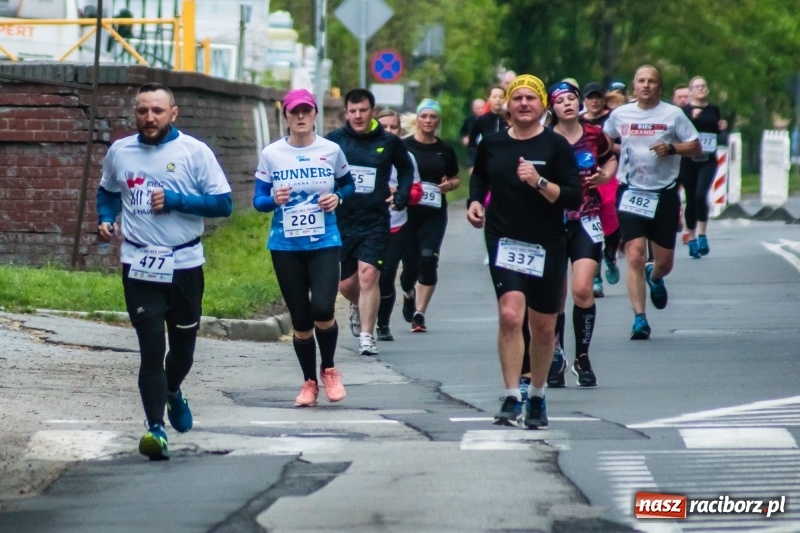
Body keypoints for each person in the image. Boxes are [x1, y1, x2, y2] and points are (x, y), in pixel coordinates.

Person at [96, 83, 233, 460]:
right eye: (143, 110)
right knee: (151, 348)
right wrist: (106, 218)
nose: (149, 117)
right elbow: (107, 191)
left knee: (183, 352)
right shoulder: (120, 152)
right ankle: (155, 429)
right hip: (138, 262)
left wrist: (176, 201)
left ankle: (173, 390)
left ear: (173, 114)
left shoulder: (194, 152)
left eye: (157, 110)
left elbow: (223, 204)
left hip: (184, 263)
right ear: (135, 113)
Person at [467, 74, 582, 429]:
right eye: (518, 98)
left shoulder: (556, 146)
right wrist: (474, 202)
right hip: (505, 239)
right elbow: (480, 178)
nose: (524, 104)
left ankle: (537, 394)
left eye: (531, 98)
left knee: (544, 328)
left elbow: (574, 196)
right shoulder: (494, 144)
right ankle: (511, 395)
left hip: (547, 243)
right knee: (510, 315)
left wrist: (539, 181)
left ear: (542, 105)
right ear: (508, 106)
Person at [253, 89, 355, 407]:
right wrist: (274, 200)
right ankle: (309, 382)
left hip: (324, 241)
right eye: (294, 112)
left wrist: (338, 198)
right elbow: (258, 200)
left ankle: (329, 369)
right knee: (300, 320)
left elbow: (349, 185)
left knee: (323, 309)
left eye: (306, 111)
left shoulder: (331, 150)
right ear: (285, 116)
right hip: (285, 246)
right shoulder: (272, 154)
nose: (300, 117)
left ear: (314, 115)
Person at [603, 65, 700, 340]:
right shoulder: (620, 114)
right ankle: (639, 318)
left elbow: (695, 146)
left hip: (664, 192)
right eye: (641, 81)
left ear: (660, 87)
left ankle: (655, 277)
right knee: (634, 253)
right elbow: (605, 138)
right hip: (632, 190)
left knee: (664, 261)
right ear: (634, 86)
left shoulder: (673, 114)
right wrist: (612, 153)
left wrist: (671, 148)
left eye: (652, 81)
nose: (646, 85)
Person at [326, 89, 415, 355]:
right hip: (342, 219)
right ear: (346, 113)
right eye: (352, 111)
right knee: (346, 285)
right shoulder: (334, 141)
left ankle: (367, 335)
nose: (358, 116)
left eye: (363, 110)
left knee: (369, 276)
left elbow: (406, 168)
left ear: (372, 112)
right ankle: (357, 305)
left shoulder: (388, 141)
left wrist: (401, 195)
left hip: (375, 219)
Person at [548, 81, 617, 387]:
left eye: (571, 98)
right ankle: (555, 355)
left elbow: (610, 157)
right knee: (554, 297)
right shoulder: (544, 139)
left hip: (586, 218)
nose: (567, 103)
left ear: (579, 104)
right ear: (552, 107)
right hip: (550, 221)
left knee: (582, 289)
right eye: (560, 100)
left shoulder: (593, 133)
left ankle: (583, 357)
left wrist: (606, 175)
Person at [400, 99, 460, 332]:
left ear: (438, 121)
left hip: (434, 213)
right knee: (409, 269)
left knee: (428, 259)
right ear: (417, 119)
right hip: (407, 213)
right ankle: (408, 293)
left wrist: (450, 186)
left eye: (432, 117)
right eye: (424, 116)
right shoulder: (404, 147)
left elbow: (455, 178)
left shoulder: (445, 150)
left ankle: (419, 313)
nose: (427, 121)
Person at [375, 109, 423, 341]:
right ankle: (357, 307)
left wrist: (401, 195)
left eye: (394, 127)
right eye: (384, 127)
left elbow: (417, 190)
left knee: (387, 276)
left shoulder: (406, 156)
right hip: (367, 224)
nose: (389, 132)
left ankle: (382, 325)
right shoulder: (366, 153)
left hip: (396, 224)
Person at [581, 81, 622, 298]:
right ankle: (595, 276)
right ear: (584, 100)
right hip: (586, 178)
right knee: (592, 224)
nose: (594, 101)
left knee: (611, 217)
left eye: (598, 96)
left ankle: (611, 253)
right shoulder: (577, 121)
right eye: (590, 97)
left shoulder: (613, 118)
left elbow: (626, 146)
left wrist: (603, 143)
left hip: (610, 174)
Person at [680, 76, 728, 258]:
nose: (700, 89)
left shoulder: (714, 109)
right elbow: (679, 132)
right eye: (696, 86)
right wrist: (692, 120)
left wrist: (721, 128)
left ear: (707, 90)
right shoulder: (683, 111)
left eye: (703, 86)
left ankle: (702, 235)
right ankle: (691, 238)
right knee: (691, 198)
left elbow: (715, 132)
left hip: (708, 158)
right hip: (688, 159)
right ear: (691, 91)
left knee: (701, 194)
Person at [468, 85, 508, 168]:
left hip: (505, 163)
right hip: (486, 163)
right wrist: (473, 163)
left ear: (505, 99)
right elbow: (472, 143)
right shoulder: (481, 120)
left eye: (501, 97)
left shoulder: (510, 120)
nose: (498, 100)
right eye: (494, 97)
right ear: (489, 99)